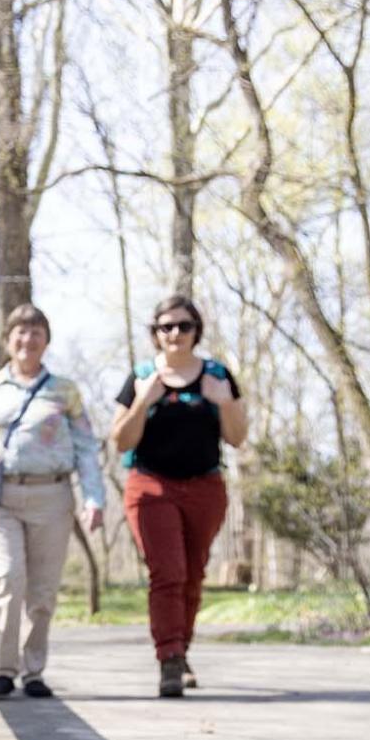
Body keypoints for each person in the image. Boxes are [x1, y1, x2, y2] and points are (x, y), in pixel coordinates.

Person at [0, 303, 105, 699]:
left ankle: (34, 670)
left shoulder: (63, 390)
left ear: (46, 341)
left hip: (52, 495)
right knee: (6, 576)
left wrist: (94, 498)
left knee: (42, 589)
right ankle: (3, 667)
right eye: (20, 331)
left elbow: (86, 446)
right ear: (7, 340)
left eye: (36, 331)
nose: (27, 338)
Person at [109, 294, 248, 698]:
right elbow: (120, 441)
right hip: (151, 486)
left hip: (204, 486)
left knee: (193, 574)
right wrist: (142, 401)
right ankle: (168, 658)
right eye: (166, 327)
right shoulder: (140, 376)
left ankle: (181, 649)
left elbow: (237, 438)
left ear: (196, 331)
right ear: (155, 334)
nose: (175, 333)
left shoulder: (218, 375)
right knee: (167, 573)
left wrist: (223, 402)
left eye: (183, 326)